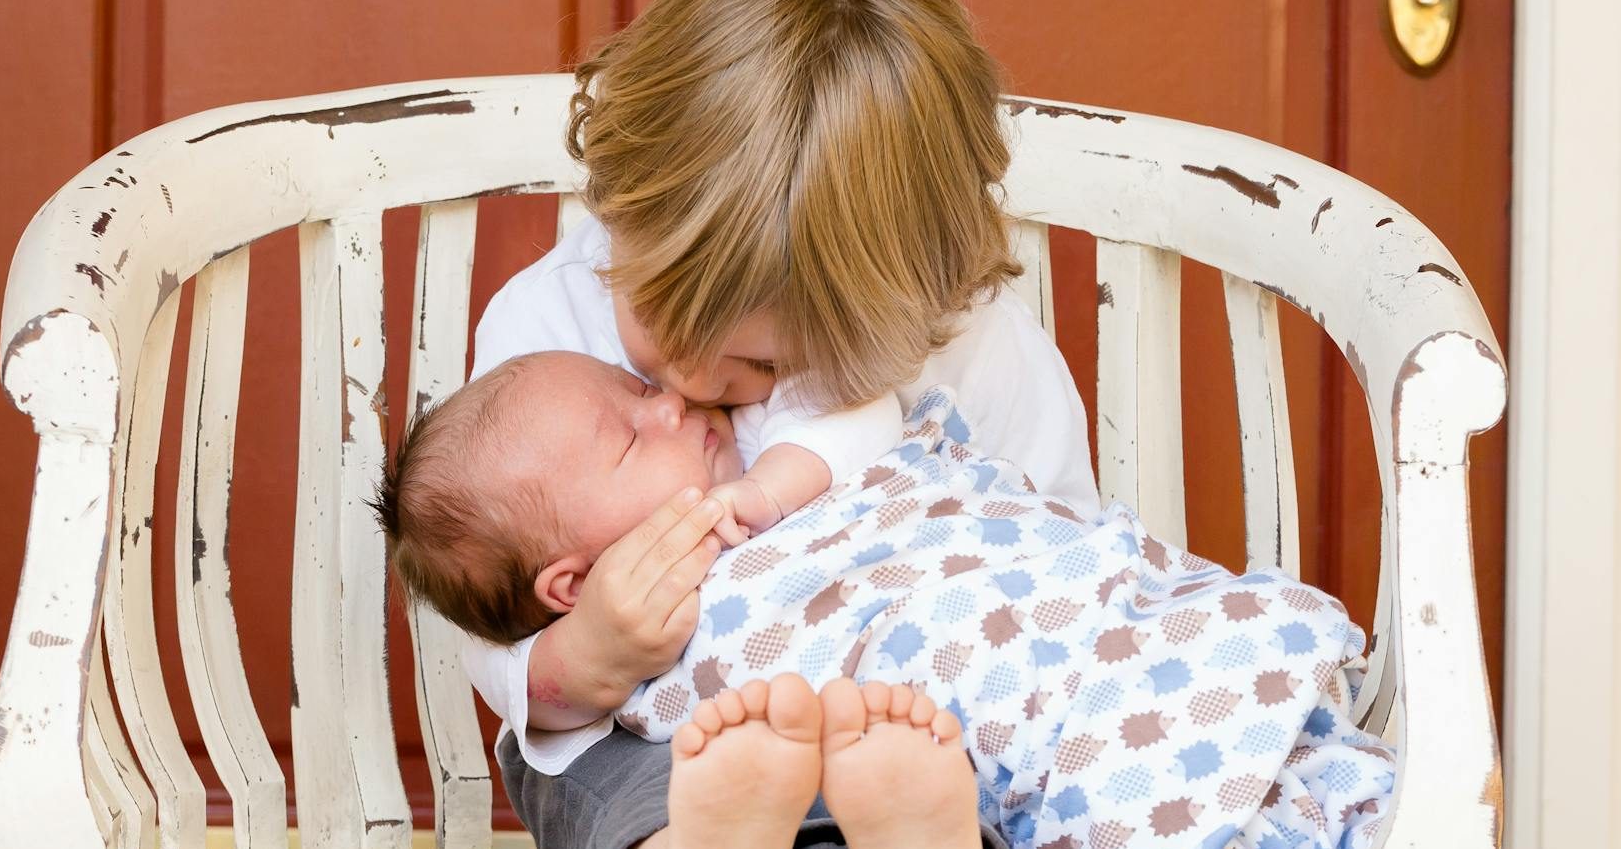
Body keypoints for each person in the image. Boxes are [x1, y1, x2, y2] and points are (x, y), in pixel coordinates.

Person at [463, 0, 1097, 849]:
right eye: (660, 325)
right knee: (592, 767)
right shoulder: (544, 329)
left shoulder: (975, 352)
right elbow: (494, 609)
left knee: (976, 762)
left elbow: (1058, 564)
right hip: (671, 730)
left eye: (763, 368)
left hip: (912, 714)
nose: (687, 386)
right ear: (616, 203)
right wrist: (588, 653)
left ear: (908, 304)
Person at [379, 356, 1393, 849]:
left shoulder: (774, 433)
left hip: (1111, 627)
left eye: (637, 385)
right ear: (569, 579)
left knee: (1317, 786)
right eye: (630, 433)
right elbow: (547, 719)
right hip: (986, 715)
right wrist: (589, 650)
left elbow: (871, 420)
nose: (672, 402)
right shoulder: (658, 613)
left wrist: (769, 486)